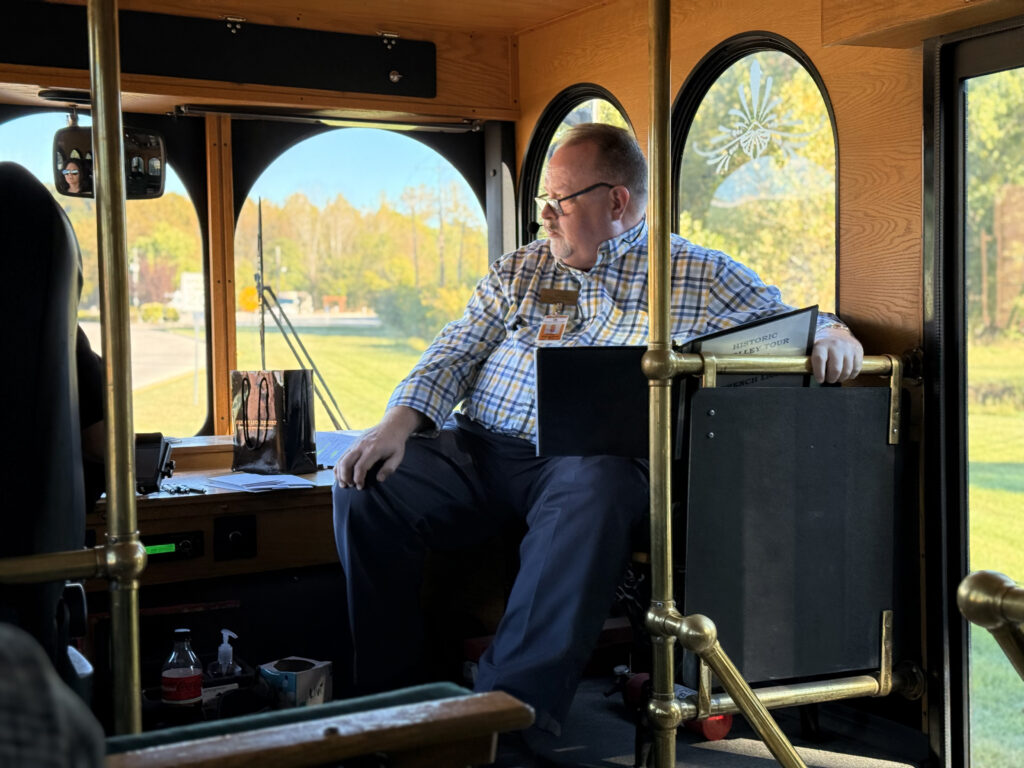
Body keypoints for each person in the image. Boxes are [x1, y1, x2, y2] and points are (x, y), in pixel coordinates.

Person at [332, 123, 863, 737]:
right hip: (480, 449)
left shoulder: (697, 274)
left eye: (560, 202)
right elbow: (456, 349)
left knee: (598, 483)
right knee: (364, 483)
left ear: (616, 201)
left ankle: (504, 721)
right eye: (543, 204)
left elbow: (797, 321)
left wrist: (834, 335)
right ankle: (390, 708)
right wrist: (399, 423)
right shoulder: (522, 269)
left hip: (586, 465)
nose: (545, 219)